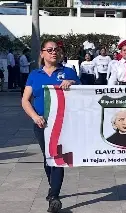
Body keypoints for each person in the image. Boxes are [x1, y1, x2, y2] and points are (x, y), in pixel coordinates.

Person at [21, 40, 81, 213]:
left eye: (56, 50)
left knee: (58, 158)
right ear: (42, 53)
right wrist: (35, 117)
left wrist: (73, 83)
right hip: (41, 123)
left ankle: (54, 196)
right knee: (48, 158)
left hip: (62, 123)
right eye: (49, 50)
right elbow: (25, 100)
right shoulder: (35, 74)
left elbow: (85, 92)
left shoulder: (68, 72)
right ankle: (52, 188)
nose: (54, 52)